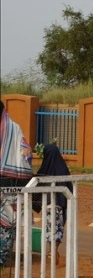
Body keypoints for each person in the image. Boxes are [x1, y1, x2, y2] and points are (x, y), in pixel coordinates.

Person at [0, 100, 34, 266]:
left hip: (10, 185)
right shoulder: (16, 128)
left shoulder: (13, 128)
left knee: (8, 223)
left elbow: (25, 154)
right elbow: (27, 155)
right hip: (14, 183)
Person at [32, 143, 73, 263]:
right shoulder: (63, 168)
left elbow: (35, 184)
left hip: (48, 204)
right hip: (61, 203)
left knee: (49, 226)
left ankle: (52, 249)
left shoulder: (45, 168)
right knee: (59, 227)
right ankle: (54, 249)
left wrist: (34, 202)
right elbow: (69, 185)